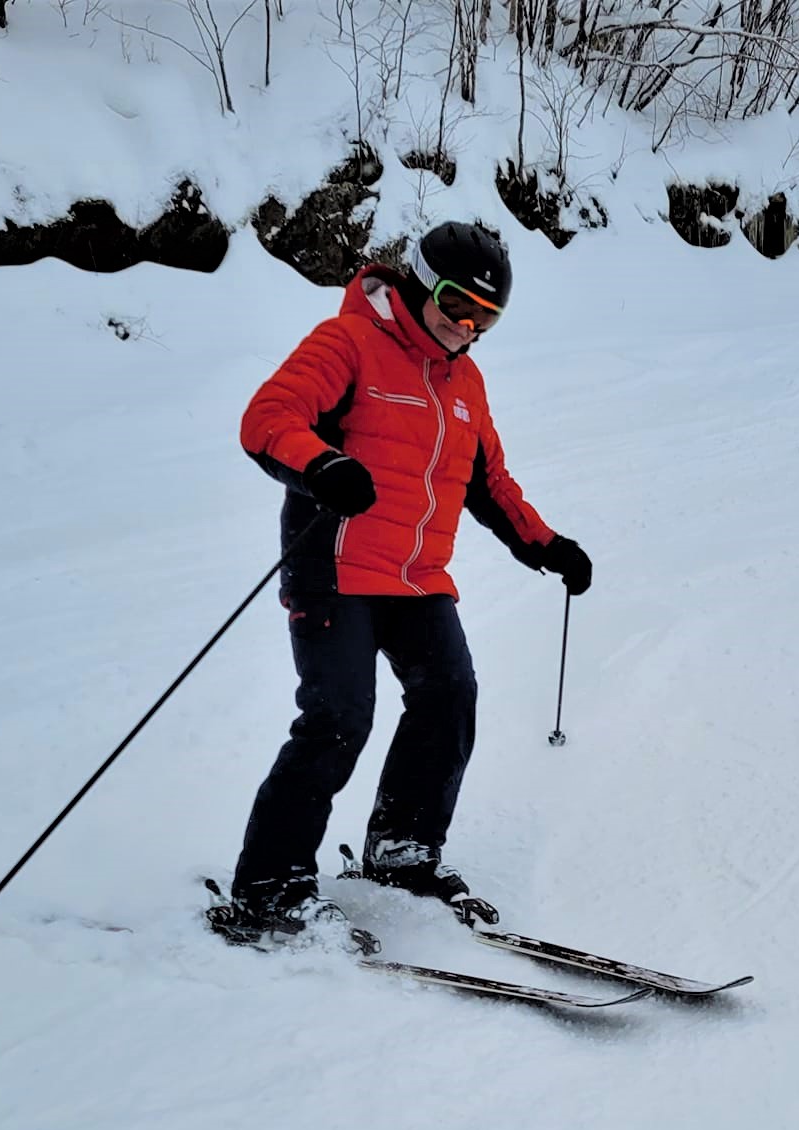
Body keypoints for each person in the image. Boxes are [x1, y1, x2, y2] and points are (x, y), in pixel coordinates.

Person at [207, 221, 593, 947]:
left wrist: (547, 545)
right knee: (338, 718)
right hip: (336, 568)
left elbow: (488, 483)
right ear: (418, 281)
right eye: (455, 303)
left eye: (486, 318)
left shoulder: (467, 382)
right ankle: (269, 885)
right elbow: (268, 418)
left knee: (450, 694)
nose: (466, 325)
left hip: (416, 578)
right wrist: (322, 464)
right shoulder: (347, 341)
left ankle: (403, 849)